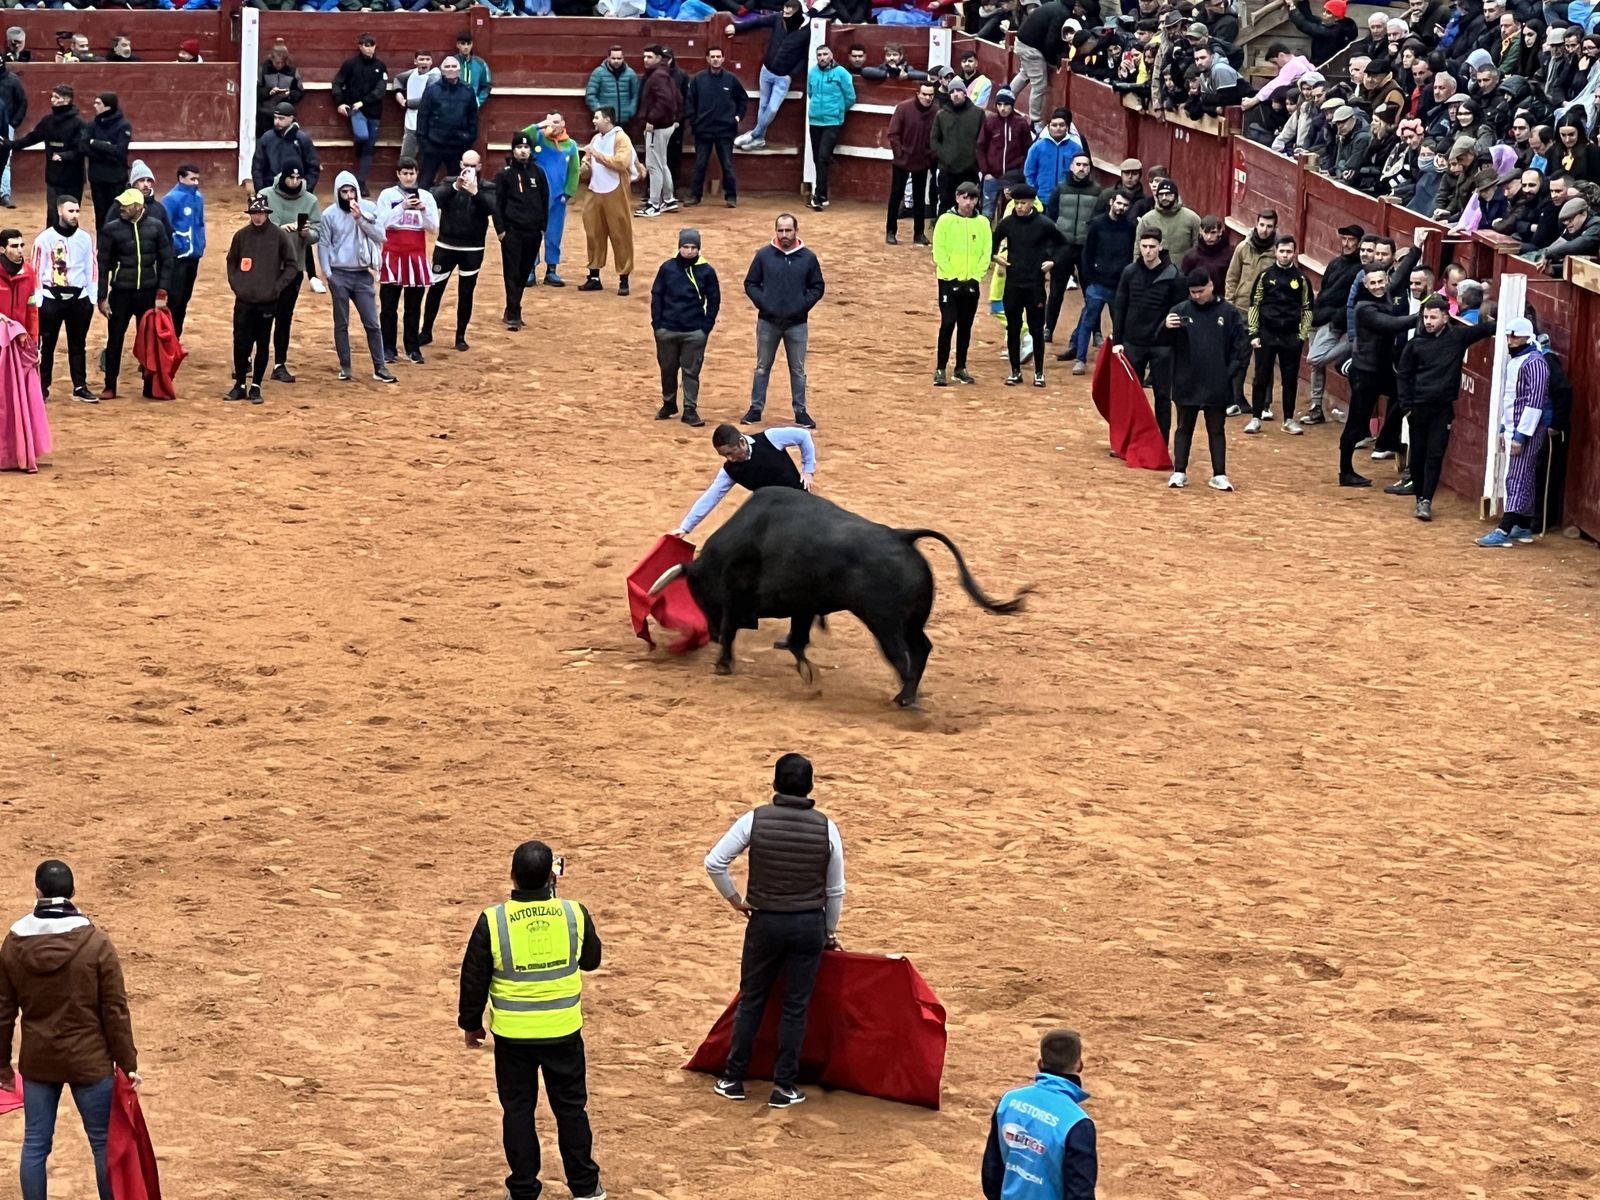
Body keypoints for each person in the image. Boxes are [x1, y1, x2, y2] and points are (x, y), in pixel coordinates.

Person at [457, 841, 606, 1200]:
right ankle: (585, 1189)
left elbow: (474, 977)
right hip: (563, 1033)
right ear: (551, 877)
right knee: (571, 1110)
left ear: (513, 876)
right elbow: (591, 961)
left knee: (519, 1112)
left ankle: (523, 1190)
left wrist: (470, 1023)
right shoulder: (574, 913)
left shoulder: (493, 920)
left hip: (513, 1038)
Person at [704, 754, 845, 1109]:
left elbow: (715, 862)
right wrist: (828, 931)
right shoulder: (826, 827)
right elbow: (834, 890)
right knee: (795, 1006)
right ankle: (784, 1085)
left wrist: (736, 899)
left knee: (752, 998)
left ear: (775, 785)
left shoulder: (755, 819)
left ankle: (733, 1078)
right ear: (810, 787)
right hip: (807, 924)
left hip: (765, 922)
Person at [0, 860, 141, 1200]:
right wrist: (127, 1061)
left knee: (35, 1143)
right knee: (102, 1146)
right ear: (73, 893)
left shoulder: (13, 944)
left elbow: (3, 1013)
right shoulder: (96, 943)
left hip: (39, 1061)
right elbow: (114, 1009)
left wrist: (3, 1065)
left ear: (37, 891)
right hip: (89, 1061)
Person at [1395, 296, 1496, 521]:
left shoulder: (1458, 337)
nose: (1429, 321)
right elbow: (1404, 375)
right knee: (1419, 455)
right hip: (1418, 408)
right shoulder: (1415, 344)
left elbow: (1486, 328)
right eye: (1426, 317)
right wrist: (1406, 407)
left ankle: (1425, 500)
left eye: (1433, 317)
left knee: (1435, 455)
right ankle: (1420, 496)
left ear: (1445, 317)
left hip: (1442, 408)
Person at [1160, 268, 1249, 491]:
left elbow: (1241, 347)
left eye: (1200, 291)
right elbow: (1162, 342)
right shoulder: (1179, 312)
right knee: (1183, 427)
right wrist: (1166, 328)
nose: (1197, 296)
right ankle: (1179, 471)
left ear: (1211, 286)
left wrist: (1228, 373)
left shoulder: (1228, 313)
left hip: (1216, 384)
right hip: (1186, 380)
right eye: (1192, 292)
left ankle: (1219, 474)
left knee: (1216, 429)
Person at [981, 1029, 1096, 1200]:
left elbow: (991, 1175)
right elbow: (1080, 1194)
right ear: (1080, 1066)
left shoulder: (1009, 1101)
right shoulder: (1077, 1123)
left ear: (1040, 1064)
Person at [1339, 262, 1420, 488]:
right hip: (1365, 374)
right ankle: (1345, 471)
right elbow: (1392, 324)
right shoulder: (1364, 307)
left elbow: (1401, 275)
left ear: (1385, 280)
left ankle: (1387, 440)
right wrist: (1423, 315)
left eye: (1380, 282)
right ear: (1365, 285)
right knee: (1356, 423)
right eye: (1372, 283)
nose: (1377, 286)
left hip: (1381, 370)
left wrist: (1416, 248)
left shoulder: (1384, 294)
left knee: (1403, 396)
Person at [742, 213, 824, 428]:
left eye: (788, 230)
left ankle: (801, 411)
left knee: (797, 370)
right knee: (762, 367)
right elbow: (751, 283)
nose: (784, 235)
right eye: (781, 230)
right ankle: (756, 408)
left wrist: (801, 306)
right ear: (775, 231)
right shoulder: (763, 255)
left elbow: (817, 287)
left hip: (797, 323)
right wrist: (765, 303)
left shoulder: (808, 258)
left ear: (796, 231)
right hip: (768, 321)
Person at [1476, 316, 1550, 546]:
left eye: (1515, 335)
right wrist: (1502, 428)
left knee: (1517, 476)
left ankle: (1505, 528)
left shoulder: (1535, 363)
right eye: (1509, 335)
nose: (1511, 339)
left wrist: (1520, 436)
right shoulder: (1519, 360)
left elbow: (1534, 403)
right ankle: (1523, 525)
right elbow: (1511, 400)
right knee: (1523, 474)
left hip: (1526, 430)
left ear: (1527, 337)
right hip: (1513, 426)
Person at [319, 170, 396, 384]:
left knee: (372, 322)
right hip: (340, 274)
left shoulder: (368, 209)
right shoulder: (329, 215)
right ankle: (345, 367)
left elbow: (380, 236)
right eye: (344, 191)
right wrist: (328, 272)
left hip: (362, 274)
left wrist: (360, 218)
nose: (349, 195)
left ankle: (380, 367)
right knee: (341, 323)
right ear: (338, 193)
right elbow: (324, 244)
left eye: (351, 190)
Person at [1111, 227, 1186, 443]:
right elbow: (1120, 307)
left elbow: (1178, 314)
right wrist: (1118, 342)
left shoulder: (1174, 276)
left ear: (1160, 247)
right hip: (1133, 343)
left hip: (1161, 345)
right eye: (1144, 247)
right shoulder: (1129, 273)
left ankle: (1161, 442)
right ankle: (1126, 440)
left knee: (1162, 396)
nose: (1148, 251)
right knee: (1129, 394)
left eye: (1152, 247)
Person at [96, 188, 173, 401]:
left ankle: (149, 386)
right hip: (121, 293)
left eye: (127, 205)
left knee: (149, 342)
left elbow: (167, 260)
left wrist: (162, 291)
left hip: (148, 293)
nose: (122, 208)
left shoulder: (156, 227)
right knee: (115, 340)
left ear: (139, 206)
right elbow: (103, 265)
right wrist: (102, 297)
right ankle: (109, 385)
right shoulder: (111, 230)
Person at [672, 423, 815, 536]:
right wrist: (685, 527)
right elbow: (711, 496)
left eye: (730, 453)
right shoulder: (729, 471)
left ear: (741, 442)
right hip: (772, 516)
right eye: (724, 456)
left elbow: (802, 435)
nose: (729, 459)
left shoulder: (770, 438)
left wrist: (808, 470)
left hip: (801, 505)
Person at [992, 183, 1068, 387]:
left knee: (1036, 329)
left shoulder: (1044, 224)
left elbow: (1063, 244)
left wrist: (1053, 262)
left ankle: (1039, 372)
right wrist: (996, 257)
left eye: (1023, 203)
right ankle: (1015, 371)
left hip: (1035, 285)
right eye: (1016, 203)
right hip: (1013, 284)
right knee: (1014, 328)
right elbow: (992, 242)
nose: (1019, 207)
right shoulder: (1007, 223)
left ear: (1032, 203)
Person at [225, 195, 297, 404]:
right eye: (254, 213)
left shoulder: (278, 236)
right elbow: (232, 262)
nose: (258, 217)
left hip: (267, 300)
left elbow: (291, 265)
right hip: (245, 300)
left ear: (267, 213)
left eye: (261, 213)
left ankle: (256, 385)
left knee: (262, 342)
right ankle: (240, 384)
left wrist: (277, 288)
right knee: (240, 342)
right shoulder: (241, 236)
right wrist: (237, 285)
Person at [420, 151, 493, 353]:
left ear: (479, 166)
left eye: (472, 165)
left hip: (472, 248)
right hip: (446, 245)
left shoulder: (487, 187)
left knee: (466, 293)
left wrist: (475, 193)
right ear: (461, 164)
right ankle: (426, 331)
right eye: (465, 165)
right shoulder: (450, 182)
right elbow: (434, 200)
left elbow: (492, 208)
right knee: (435, 290)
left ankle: (460, 336)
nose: (468, 169)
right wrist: (455, 187)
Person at [650, 228, 720, 427]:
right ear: (679, 247)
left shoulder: (707, 271)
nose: (689, 251)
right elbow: (657, 296)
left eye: (693, 247)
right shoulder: (667, 268)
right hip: (667, 329)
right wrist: (658, 324)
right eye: (685, 247)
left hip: (694, 331)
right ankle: (669, 403)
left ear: (698, 249)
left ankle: (690, 409)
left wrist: (706, 326)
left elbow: (714, 300)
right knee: (667, 369)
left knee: (691, 372)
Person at [1246, 234, 1313, 435]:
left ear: (1294, 253)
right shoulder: (1265, 276)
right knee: (1261, 377)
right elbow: (1254, 304)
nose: (1285, 255)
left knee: (1290, 379)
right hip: (1266, 334)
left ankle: (1289, 419)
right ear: (1275, 251)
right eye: (1282, 251)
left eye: (1289, 251)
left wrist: (1301, 336)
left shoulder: (1301, 279)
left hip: (1290, 336)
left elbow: (1308, 308)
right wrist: (1254, 333)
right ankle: (1256, 417)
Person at [31, 195, 96, 402]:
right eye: (71, 211)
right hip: (52, 297)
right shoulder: (44, 239)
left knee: (78, 344)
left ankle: (80, 386)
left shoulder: (85, 238)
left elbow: (91, 268)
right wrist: (40, 301)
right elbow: (36, 270)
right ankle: (42, 387)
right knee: (47, 344)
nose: (75, 215)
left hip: (79, 298)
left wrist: (91, 297)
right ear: (60, 211)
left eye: (77, 211)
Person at [375, 157, 439, 365]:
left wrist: (423, 210)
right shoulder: (387, 195)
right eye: (405, 173)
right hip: (393, 255)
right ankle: (388, 347)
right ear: (398, 174)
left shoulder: (427, 197)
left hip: (416, 256)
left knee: (413, 306)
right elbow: (381, 223)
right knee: (388, 305)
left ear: (417, 174)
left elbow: (433, 228)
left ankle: (412, 348)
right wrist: (402, 207)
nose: (409, 177)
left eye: (412, 173)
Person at [1300, 223, 1363, 426]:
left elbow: (1352, 300)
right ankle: (1316, 407)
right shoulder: (1335, 263)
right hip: (1319, 317)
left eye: (1351, 240)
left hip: (1333, 322)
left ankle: (1349, 344)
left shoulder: (1360, 270)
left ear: (1359, 243)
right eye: (1344, 239)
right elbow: (1325, 288)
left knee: (1314, 359)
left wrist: (1339, 321)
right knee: (1316, 366)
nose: (1346, 243)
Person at [1066, 191, 1135, 375]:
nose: (1121, 208)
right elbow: (1087, 253)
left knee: (1120, 324)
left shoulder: (1130, 227)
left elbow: (1130, 254)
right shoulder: (1097, 224)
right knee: (1088, 321)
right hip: (1097, 284)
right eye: (1119, 203)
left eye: (1125, 205)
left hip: (1119, 285)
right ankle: (1080, 359)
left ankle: (1121, 362)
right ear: (1111, 202)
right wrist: (1089, 281)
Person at [732, 0, 811, 152]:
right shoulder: (778, 19)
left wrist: (791, 75)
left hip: (783, 77)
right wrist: (736, 27)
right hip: (766, 71)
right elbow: (758, 22)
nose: (785, 15)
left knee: (773, 108)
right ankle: (760, 139)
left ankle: (754, 134)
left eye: (789, 13)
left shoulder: (806, 31)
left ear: (797, 14)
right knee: (763, 105)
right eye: (785, 11)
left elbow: (804, 57)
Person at [933, 180, 989, 387]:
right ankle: (940, 368)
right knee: (948, 323)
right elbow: (939, 252)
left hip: (971, 283)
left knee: (965, 326)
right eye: (964, 197)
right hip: (948, 283)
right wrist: (952, 278)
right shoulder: (945, 221)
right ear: (957, 197)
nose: (968, 202)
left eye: (972, 198)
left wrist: (975, 277)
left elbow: (986, 253)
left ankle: (960, 367)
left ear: (977, 200)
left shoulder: (982, 223)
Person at [493, 134, 549, 332]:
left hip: (533, 232)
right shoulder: (504, 175)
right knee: (512, 272)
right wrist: (500, 230)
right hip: (512, 232)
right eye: (519, 147)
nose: (523, 151)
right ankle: (514, 313)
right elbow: (497, 205)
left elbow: (544, 200)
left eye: (526, 147)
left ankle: (512, 309)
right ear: (513, 150)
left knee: (524, 272)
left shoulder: (539, 173)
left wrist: (543, 227)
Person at [578, 107, 636, 296]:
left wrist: (596, 155)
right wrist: (583, 167)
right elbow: (587, 163)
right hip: (595, 191)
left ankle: (624, 278)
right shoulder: (596, 139)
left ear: (608, 119)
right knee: (593, 233)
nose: (593, 121)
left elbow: (621, 163)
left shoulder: (621, 138)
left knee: (620, 234)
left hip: (615, 192)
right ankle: (594, 277)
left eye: (596, 117)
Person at [685, 47, 747, 209]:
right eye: (712, 56)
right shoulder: (698, 79)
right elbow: (689, 102)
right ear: (707, 59)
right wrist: (694, 121)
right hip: (703, 129)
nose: (715, 59)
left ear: (723, 58)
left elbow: (743, 99)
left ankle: (731, 196)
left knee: (727, 164)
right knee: (700, 163)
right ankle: (695, 196)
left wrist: (737, 117)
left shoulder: (731, 79)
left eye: (718, 56)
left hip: (725, 130)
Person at [10, 86, 85, 221]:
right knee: (53, 213)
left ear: (67, 99)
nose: (52, 100)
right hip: (53, 176)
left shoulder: (78, 123)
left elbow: (82, 149)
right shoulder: (48, 121)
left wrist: (64, 156)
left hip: (72, 177)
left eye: (57, 97)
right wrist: (11, 145)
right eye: (52, 96)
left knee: (70, 215)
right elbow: (32, 138)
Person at [524, 113, 580, 288]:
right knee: (533, 233)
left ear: (563, 123)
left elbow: (574, 170)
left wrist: (568, 193)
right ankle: (530, 270)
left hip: (557, 199)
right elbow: (523, 136)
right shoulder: (538, 139)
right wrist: (540, 125)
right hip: (536, 197)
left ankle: (551, 270)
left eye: (556, 122)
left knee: (554, 234)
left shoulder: (570, 145)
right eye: (550, 122)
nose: (553, 125)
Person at [331, 34, 389, 194]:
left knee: (369, 148)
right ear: (360, 46)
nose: (369, 48)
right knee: (362, 137)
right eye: (366, 45)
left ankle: (361, 182)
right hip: (356, 110)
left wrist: (364, 101)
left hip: (374, 111)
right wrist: (340, 102)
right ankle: (359, 151)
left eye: (372, 45)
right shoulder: (351, 64)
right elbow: (337, 82)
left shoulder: (380, 66)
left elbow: (381, 89)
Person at [886, 82, 938, 246]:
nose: (928, 98)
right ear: (918, 93)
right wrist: (900, 154)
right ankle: (891, 231)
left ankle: (918, 233)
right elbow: (893, 134)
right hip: (903, 160)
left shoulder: (936, 112)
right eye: (925, 94)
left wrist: (930, 157)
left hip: (922, 161)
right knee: (896, 195)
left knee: (919, 197)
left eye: (931, 95)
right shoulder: (903, 108)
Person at [806, 46, 855, 212]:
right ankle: (823, 195)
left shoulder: (841, 73)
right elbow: (810, 93)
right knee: (817, 158)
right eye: (819, 55)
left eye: (825, 54)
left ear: (831, 55)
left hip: (833, 121)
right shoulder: (812, 72)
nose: (822, 57)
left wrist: (838, 111)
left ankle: (818, 197)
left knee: (822, 157)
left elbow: (850, 97)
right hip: (814, 121)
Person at [417, 57, 478, 189]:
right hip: (434, 145)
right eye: (448, 67)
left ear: (459, 70)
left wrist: (468, 139)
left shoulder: (468, 91)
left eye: (453, 67)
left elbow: (473, 117)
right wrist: (424, 144)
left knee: (458, 183)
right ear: (442, 70)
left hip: (458, 146)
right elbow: (422, 117)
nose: (451, 69)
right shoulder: (431, 91)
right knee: (425, 182)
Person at [160, 165, 205, 339]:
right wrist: (177, 248)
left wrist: (200, 246)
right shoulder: (171, 199)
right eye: (192, 179)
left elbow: (200, 225)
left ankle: (175, 338)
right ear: (180, 178)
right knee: (174, 301)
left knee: (184, 301)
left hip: (193, 258)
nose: (196, 182)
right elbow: (165, 227)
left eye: (197, 179)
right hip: (177, 259)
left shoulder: (198, 198)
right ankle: (166, 338)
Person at [638, 45, 682, 218]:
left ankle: (654, 203)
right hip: (665, 125)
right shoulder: (664, 74)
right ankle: (668, 199)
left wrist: (651, 119)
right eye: (644, 56)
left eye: (649, 57)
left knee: (653, 165)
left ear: (658, 58)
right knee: (661, 163)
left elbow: (666, 101)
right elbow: (677, 99)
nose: (645, 60)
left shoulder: (657, 76)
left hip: (657, 127)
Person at [1012, 1, 1072, 126]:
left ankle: (1005, 98)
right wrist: (1053, 62)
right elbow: (1050, 41)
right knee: (1039, 85)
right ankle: (1036, 121)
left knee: (1025, 74)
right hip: (1031, 48)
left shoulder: (1055, 5)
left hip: (1023, 41)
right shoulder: (1063, 13)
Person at [975, 88, 1032, 219]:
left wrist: (1021, 171)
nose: (1003, 108)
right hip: (992, 175)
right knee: (987, 212)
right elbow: (980, 147)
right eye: (999, 104)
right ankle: (988, 238)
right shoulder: (990, 121)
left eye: (1006, 105)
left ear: (1012, 105)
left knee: (1011, 213)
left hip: (1013, 177)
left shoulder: (1021, 123)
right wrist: (985, 172)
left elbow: (1028, 149)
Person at [931, 78, 984, 214]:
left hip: (970, 170)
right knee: (945, 204)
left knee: (971, 205)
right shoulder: (941, 115)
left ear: (965, 93)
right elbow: (934, 140)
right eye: (952, 91)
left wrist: (975, 159)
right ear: (949, 95)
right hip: (947, 170)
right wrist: (945, 156)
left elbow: (983, 140)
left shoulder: (978, 114)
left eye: (959, 90)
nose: (956, 94)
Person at [83, 93, 132, 228]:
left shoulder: (123, 125)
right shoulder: (92, 124)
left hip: (116, 178)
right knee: (100, 215)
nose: (95, 106)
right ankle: (102, 247)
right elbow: (83, 146)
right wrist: (108, 148)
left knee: (116, 214)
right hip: (98, 178)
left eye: (98, 103)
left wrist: (95, 143)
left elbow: (120, 151)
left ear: (108, 107)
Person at [252, 102, 320, 196]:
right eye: (275, 117)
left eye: (281, 118)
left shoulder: (302, 139)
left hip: (297, 190)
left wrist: (306, 191)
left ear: (291, 118)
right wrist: (261, 192)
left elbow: (313, 167)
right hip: (271, 190)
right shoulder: (267, 138)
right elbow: (257, 167)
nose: (277, 121)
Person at [1137, 179, 1201, 264]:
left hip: (1182, 272)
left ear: (1175, 196)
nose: (1164, 198)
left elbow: (1199, 248)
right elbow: (1138, 248)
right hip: (1154, 272)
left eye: (1168, 194)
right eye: (1161, 195)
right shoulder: (1147, 219)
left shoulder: (1192, 218)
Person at [394, 50, 440, 164]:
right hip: (411, 124)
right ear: (415, 61)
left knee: (428, 162)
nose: (424, 62)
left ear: (431, 62)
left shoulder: (435, 76)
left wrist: (406, 103)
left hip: (429, 126)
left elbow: (427, 100)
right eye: (421, 59)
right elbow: (398, 79)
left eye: (427, 59)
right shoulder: (412, 73)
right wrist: (398, 93)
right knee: (406, 160)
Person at [257, 39, 304, 136]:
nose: (279, 65)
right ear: (272, 59)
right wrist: (269, 91)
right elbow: (256, 91)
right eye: (276, 63)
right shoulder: (263, 69)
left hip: (285, 111)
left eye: (282, 63)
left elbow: (299, 91)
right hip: (265, 113)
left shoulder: (292, 71)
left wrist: (289, 93)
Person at [585, 45, 639, 130]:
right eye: (613, 58)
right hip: (606, 121)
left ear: (623, 58)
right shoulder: (598, 73)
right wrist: (601, 112)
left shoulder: (630, 74)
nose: (616, 61)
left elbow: (635, 95)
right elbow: (590, 95)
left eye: (619, 58)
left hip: (625, 121)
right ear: (608, 58)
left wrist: (631, 111)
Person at [1179, 214, 1231, 296]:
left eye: (1213, 232)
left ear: (1220, 232)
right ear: (1200, 231)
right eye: (1206, 233)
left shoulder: (1230, 254)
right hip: (1197, 299)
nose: (1209, 237)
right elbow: (1183, 282)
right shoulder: (1190, 256)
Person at [453, 30, 492, 108]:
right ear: (457, 45)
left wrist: (478, 101)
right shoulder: (451, 62)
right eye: (463, 44)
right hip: (453, 106)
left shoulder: (480, 64)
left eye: (469, 44)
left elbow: (487, 85)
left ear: (472, 44)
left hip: (472, 105)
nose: (466, 47)